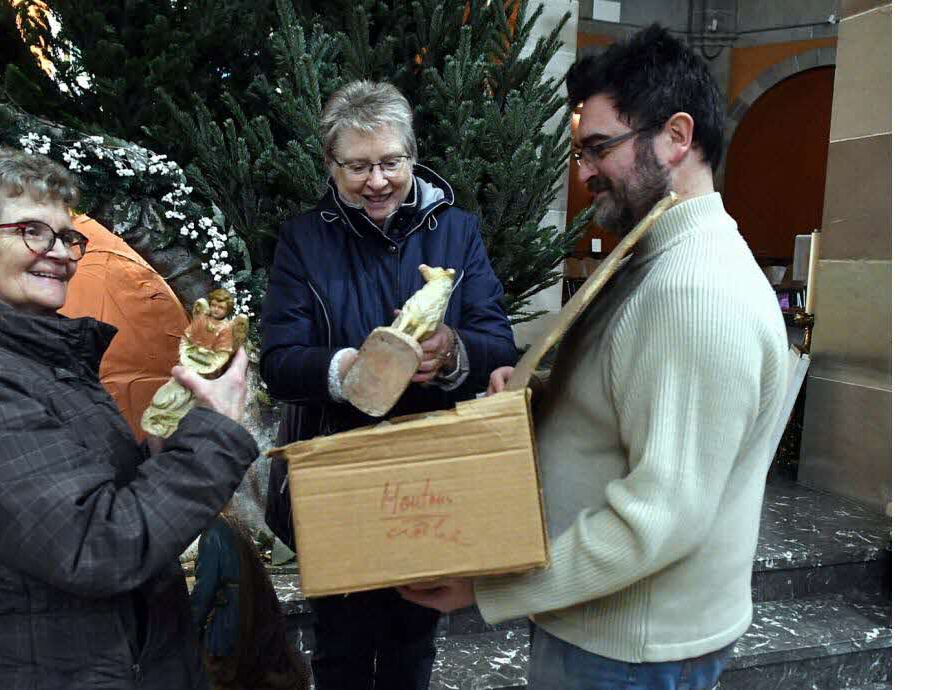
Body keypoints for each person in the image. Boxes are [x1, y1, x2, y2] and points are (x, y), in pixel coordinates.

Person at [398, 25, 790, 690]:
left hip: (628, 648)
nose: (581, 173)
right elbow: (632, 387)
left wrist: (491, 587)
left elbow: (661, 515)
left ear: (676, 136)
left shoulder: (695, 293)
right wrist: (542, 388)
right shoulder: (657, 254)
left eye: (598, 148)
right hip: (601, 630)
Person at [0, 148, 257, 689]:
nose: (60, 253)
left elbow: (97, 498)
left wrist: (171, 443)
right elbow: (98, 548)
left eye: (66, 237)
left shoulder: (43, 365)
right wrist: (219, 433)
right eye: (31, 231)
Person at [260, 80, 518, 689]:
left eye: (390, 163)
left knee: (412, 641)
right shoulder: (304, 239)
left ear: (411, 155)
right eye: (357, 166)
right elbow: (278, 360)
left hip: (426, 473)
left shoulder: (456, 231)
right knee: (341, 647)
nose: (376, 181)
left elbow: (497, 341)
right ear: (331, 165)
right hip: (335, 465)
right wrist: (346, 370)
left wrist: (452, 352)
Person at [188, 511, 308, 690]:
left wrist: (187, 629)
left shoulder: (212, 535)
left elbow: (203, 593)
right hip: (245, 619)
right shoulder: (229, 525)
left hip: (229, 626)